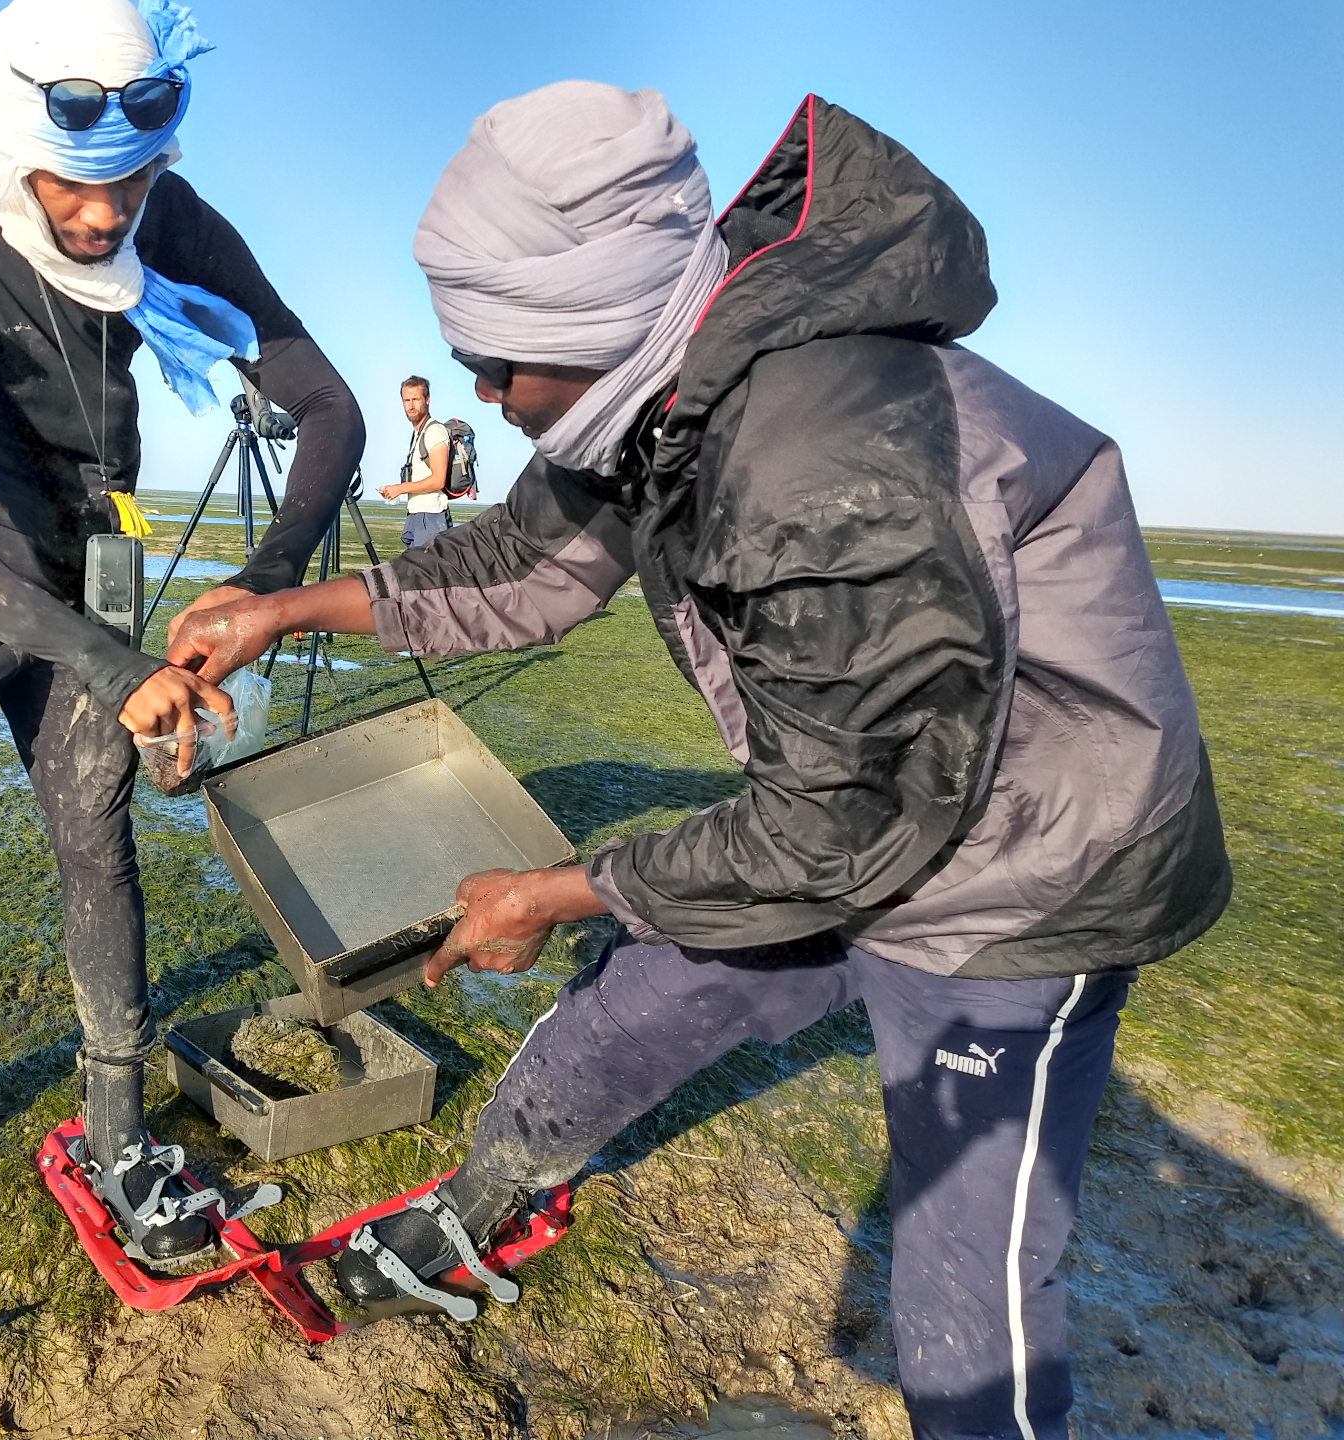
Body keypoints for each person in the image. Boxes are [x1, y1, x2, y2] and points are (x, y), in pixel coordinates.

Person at [167, 84, 1229, 1440]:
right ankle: (484, 1199)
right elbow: (518, 565)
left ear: (591, 325)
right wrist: (282, 610)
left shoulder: (825, 459)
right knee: (620, 1019)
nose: (486, 397)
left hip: (1027, 874)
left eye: (497, 365)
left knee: (966, 1299)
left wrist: (548, 892)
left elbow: (835, 830)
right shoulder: (658, 382)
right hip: (860, 811)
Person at [0, 0, 363, 1333]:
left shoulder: (164, 206)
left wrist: (263, 582)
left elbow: (325, 404)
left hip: (93, 547)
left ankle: (119, 1141)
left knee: (97, 842)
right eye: (73, 190)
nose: (107, 220)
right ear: (8, 142)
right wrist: (107, 659)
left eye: (132, 186)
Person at [379, 375, 451, 546]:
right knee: (413, 571)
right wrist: (393, 490)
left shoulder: (435, 431)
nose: (410, 406)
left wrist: (400, 488)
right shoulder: (419, 433)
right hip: (417, 515)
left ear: (427, 400)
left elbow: (438, 479)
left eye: (416, 399)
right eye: (406, 400)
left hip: (431, 517)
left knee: (426, 571)